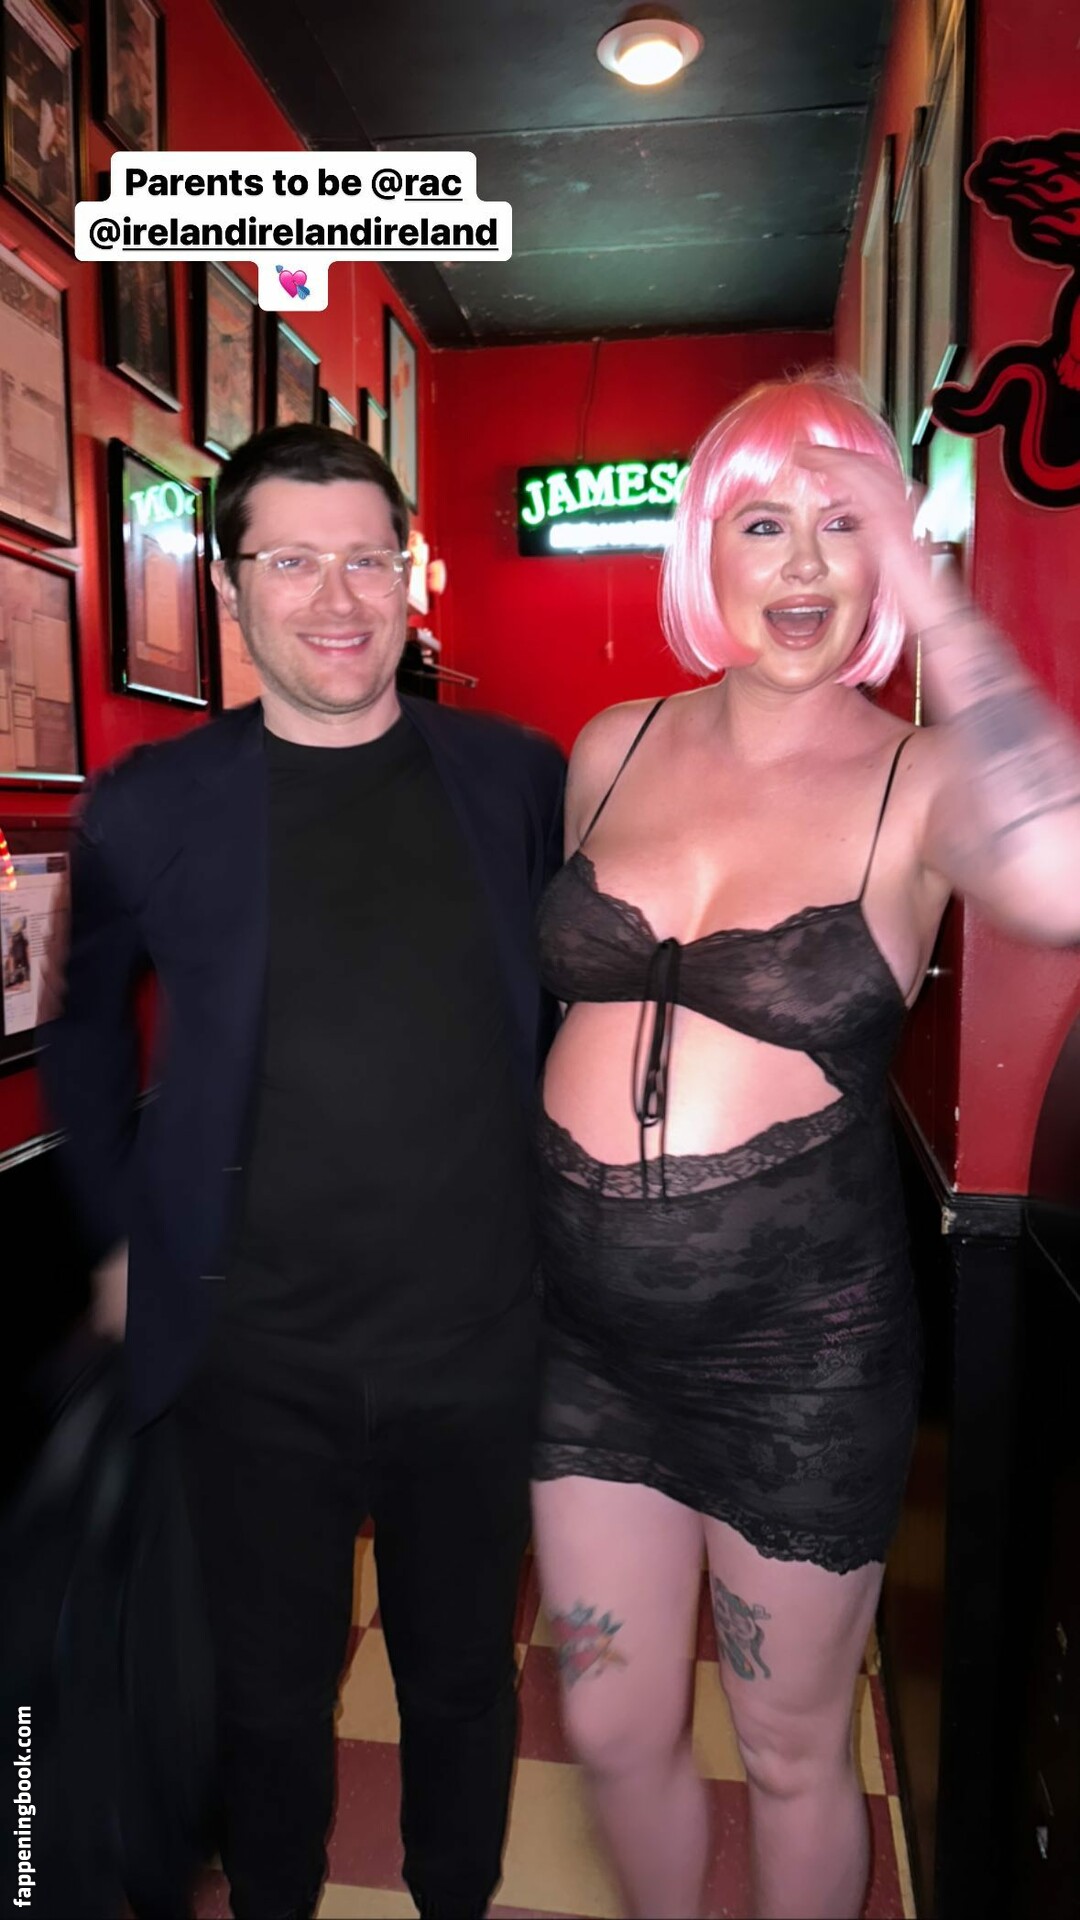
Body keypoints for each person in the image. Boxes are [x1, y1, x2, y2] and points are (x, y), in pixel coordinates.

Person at [530, 370, 1080, 1920]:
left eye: (844, 527)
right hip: (585, 1340)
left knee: (786, 1749)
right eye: (762, 522)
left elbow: (1065, 879)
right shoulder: (613, 746)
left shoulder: (925, 778)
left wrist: (934, 588)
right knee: (610, 1725)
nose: (803, 564)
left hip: (799, 1356)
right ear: (703, 547)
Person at [41, 424, 564, 1920]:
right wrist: (116, 1235)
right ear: (227, 586)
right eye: (291, 562)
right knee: (267, 1699)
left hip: (478, 1338)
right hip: (252, 1353)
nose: (338, 599)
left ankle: (454, 1899)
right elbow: (81, 1032)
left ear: (408, 577)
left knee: (463, 1681)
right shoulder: (149, 803)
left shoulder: (517, 779)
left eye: (367, 560)